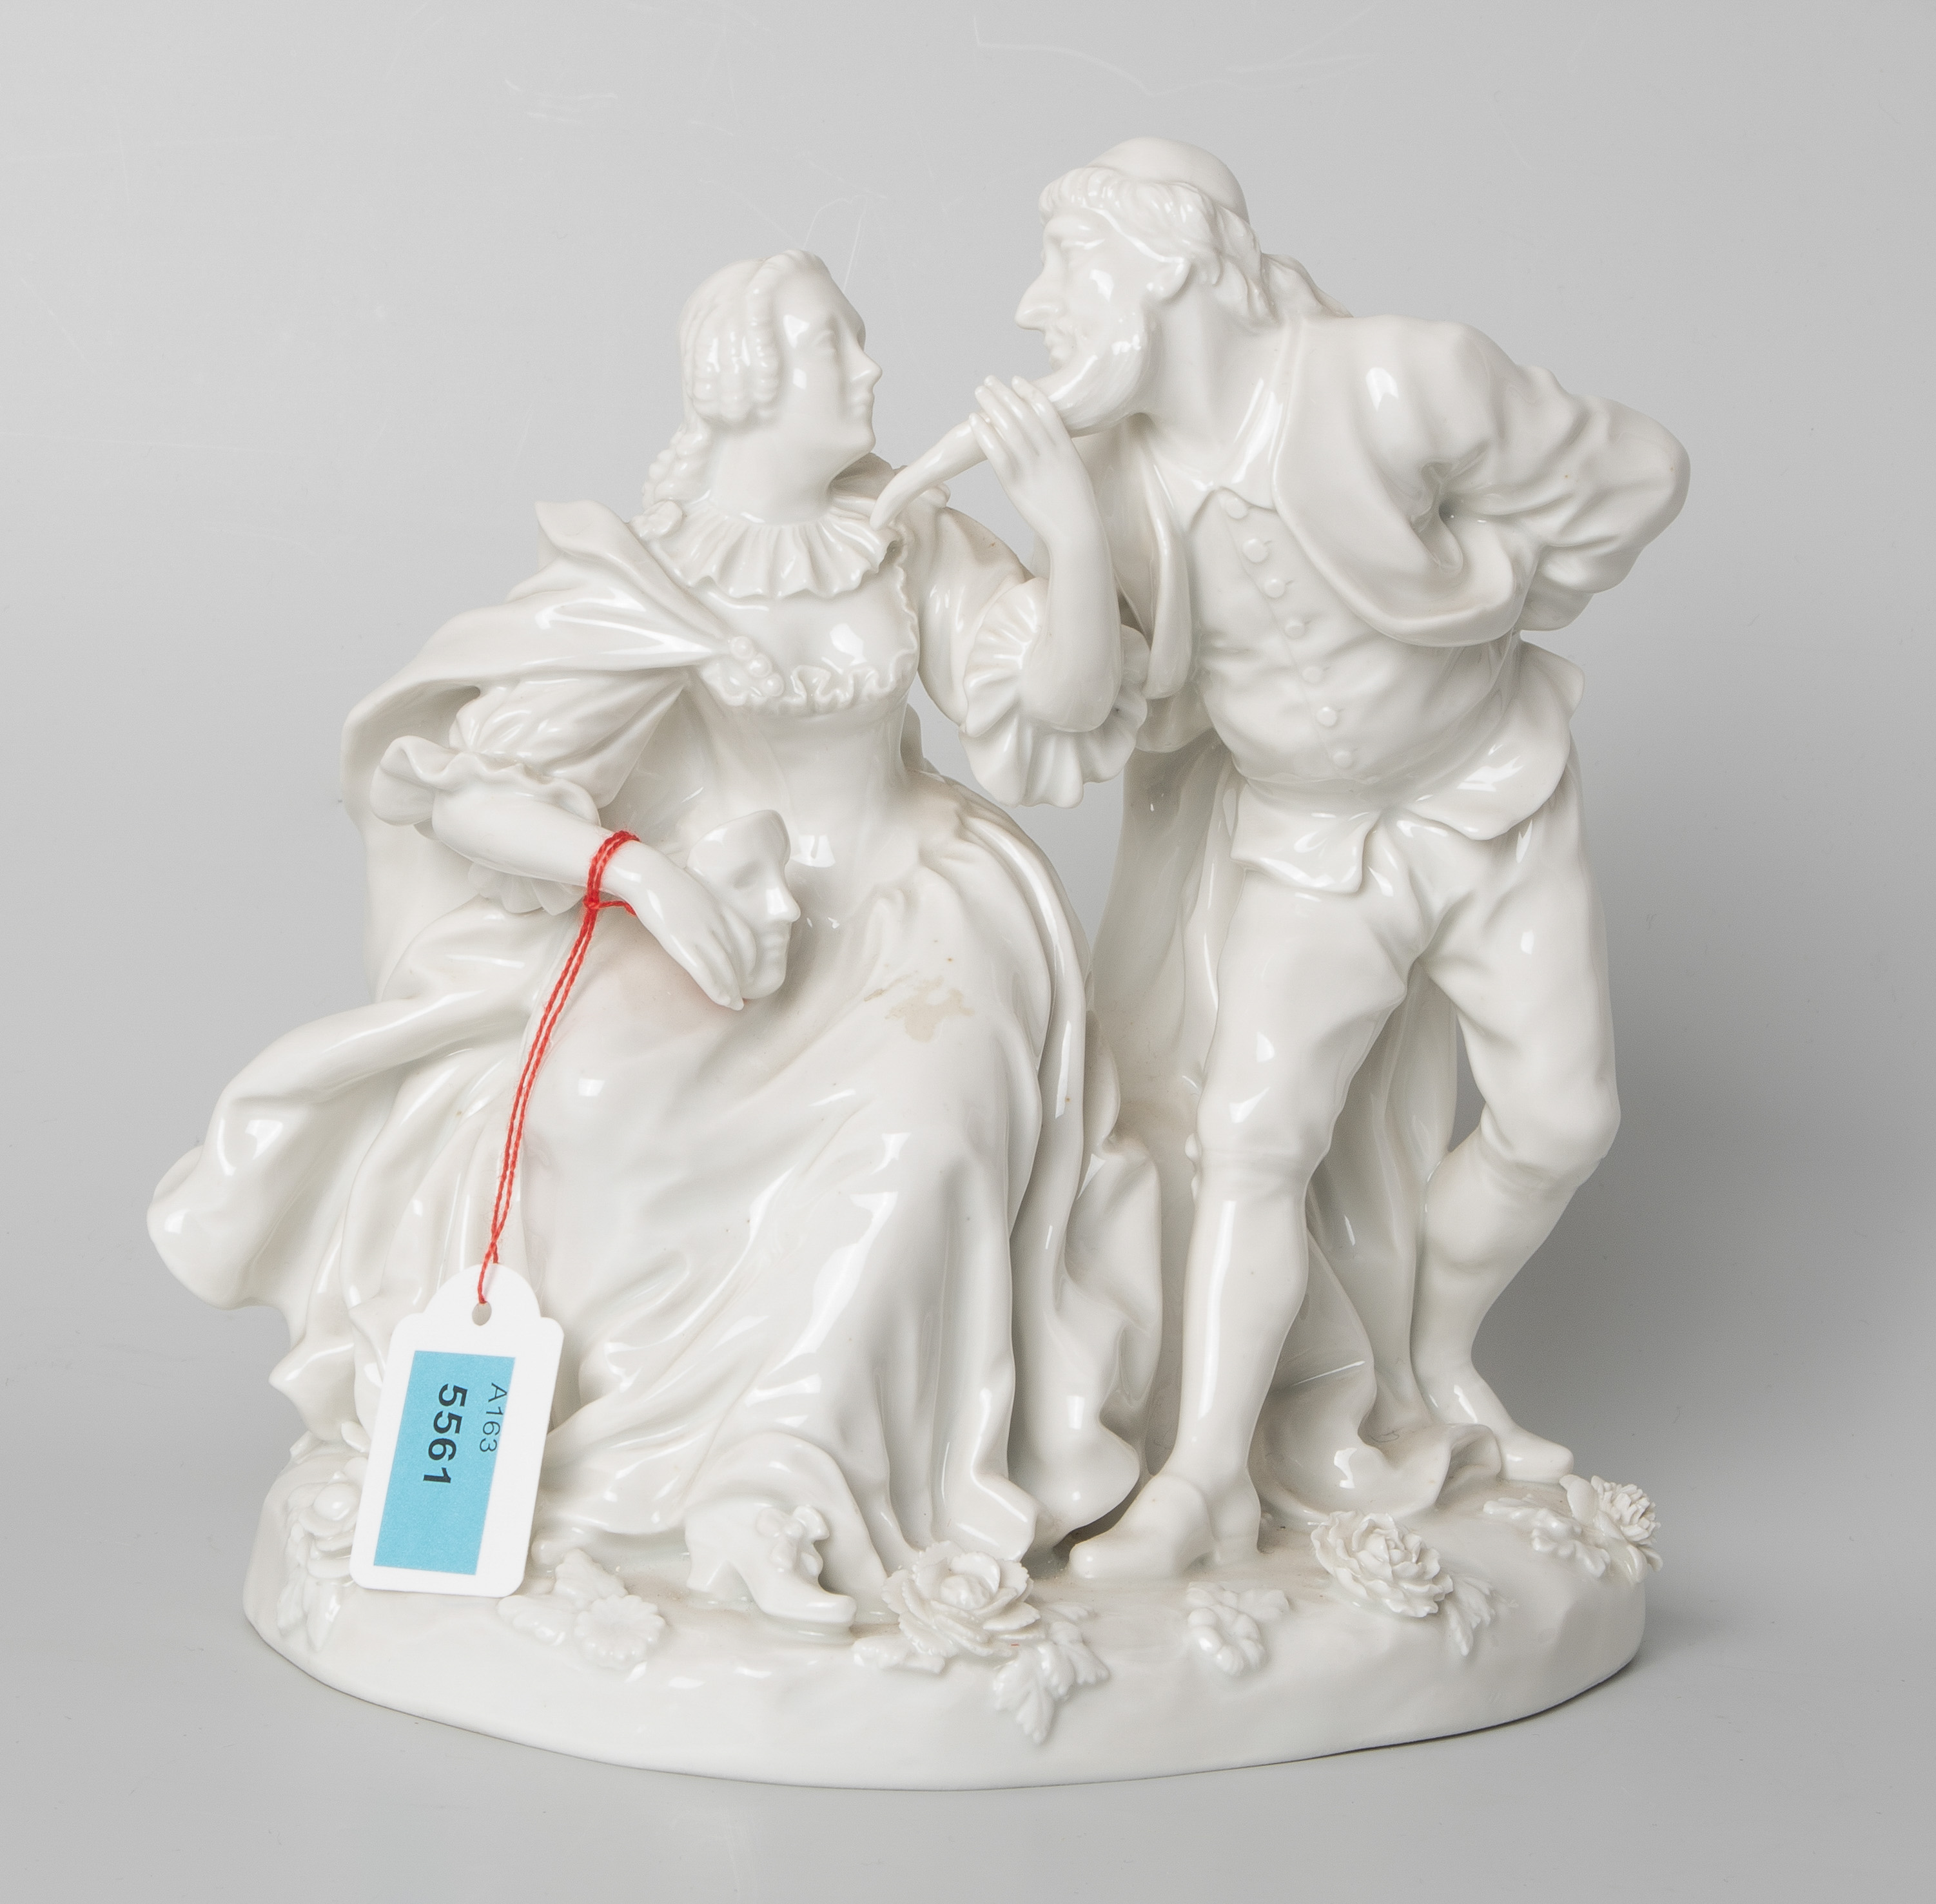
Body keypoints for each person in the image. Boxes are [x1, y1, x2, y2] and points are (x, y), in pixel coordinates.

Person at [150, 249, 1159, 1624]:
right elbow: (474, 791)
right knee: (580, 1108)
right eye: (833, 347)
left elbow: (1064, 703)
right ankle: (604, 1450)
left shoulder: (907, 538)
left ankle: (783, 1480)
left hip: (917, 908)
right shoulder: (649, 575)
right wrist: (640, 878)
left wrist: (1073, 531)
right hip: (722, 915)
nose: (871, 368)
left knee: (919, 1142)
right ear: (744, 382)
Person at [885, 141, 1687, 1579]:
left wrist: (1483, 598)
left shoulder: (1396, 380)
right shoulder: (1108, 476)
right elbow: (1089, 705)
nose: (1032, 306)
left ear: (1167, 262)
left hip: (1484, 800)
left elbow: (1637, 476)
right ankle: (1207, 1478)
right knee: (1251, 1140)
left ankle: (1428, 1363)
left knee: (1559, 1124)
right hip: (1307, 837)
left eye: (1065, 266)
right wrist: (1061, 528)